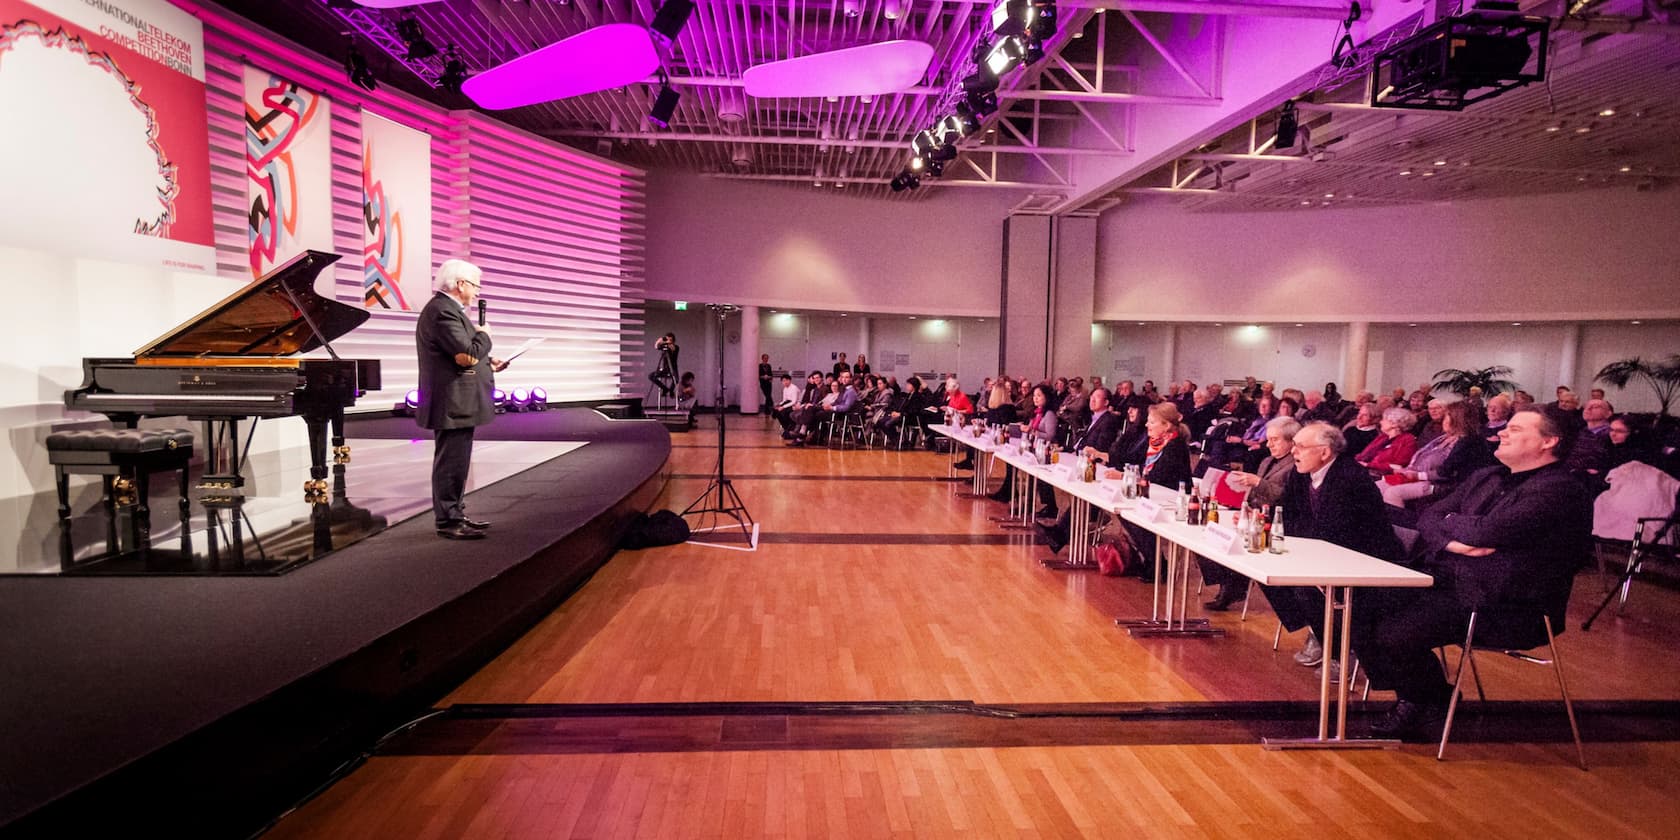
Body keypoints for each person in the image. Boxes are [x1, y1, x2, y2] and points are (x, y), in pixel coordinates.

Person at [1355, 406, 1591, 737]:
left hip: (1505, 603)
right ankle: (1426, 696)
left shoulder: (1560, 490)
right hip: (1450, 582)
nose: (1503, 432)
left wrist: (1454, 526)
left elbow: (1489, 532)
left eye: (1517, 429)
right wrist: (1454, 542)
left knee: (1394, 632)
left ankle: (1422, 701)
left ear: (1549, 441)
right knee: (1358, 607)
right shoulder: (1487, 476)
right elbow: (1428, 518)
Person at [1260, 422, 1404, 672]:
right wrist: (1267, 522)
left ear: (1325, 452)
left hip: (1366, 560)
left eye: (1301, 447)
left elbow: (1338, 530)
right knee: (1269, 575)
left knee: (1305, 586)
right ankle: (1320, 630)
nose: (1294, 452)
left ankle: (1343, 647)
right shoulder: (1300, 473)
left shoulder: (1350, 477)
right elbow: (1290, 514)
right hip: (1323, 551)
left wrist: (1292, 535)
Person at [415, 259, 507, 541]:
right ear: (460, 284)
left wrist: (488, 363)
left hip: (458, 401)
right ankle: (448, 520)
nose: (477, 292)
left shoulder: (450, 310)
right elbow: (465, 354)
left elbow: (464, 356)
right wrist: (484, 337)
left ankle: (456, 513)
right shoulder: (443, 311)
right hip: (451, 402)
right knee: (450, 462)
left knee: (457, 461)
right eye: (476, 285)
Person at [1202, 416, 1301, 610]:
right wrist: (1245, 508)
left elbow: (1284, 497)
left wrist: (1257, 482)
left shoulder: (1295, 466)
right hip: (1254, 514)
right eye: (1269, 439)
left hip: (1276, 520)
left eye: (1276, 440)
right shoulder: (1266, 460)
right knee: (1209, 534)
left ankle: (1232, 587)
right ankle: (1228, 583)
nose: (1270, 444)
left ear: (1291, 441)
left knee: (1234, 538)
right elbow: (1255, 493)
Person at [1377, 401, 1494, 509]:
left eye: (1446, 416)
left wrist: (1416, 476)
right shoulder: (1443, 438)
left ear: (1455, 419)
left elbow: (1445, 472)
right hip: (1425, 476)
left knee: (1393, 493)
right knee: (1378, 486)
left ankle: (1400, 530)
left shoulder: (1466, 441)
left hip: (1443, 484)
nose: (1444, 420)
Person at [648, 332, 679, 398]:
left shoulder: (676, 347)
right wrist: (660, 340)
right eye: (667, 339)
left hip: (672, 368)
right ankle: (665, 389)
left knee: (676, 379)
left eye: (670, 340)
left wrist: (669, 344)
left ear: (673, 340)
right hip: (665, 369)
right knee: (651, 376)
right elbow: (656, 346)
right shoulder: (664, 346)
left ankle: (671, 391)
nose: (668, 341)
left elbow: (673, 349)